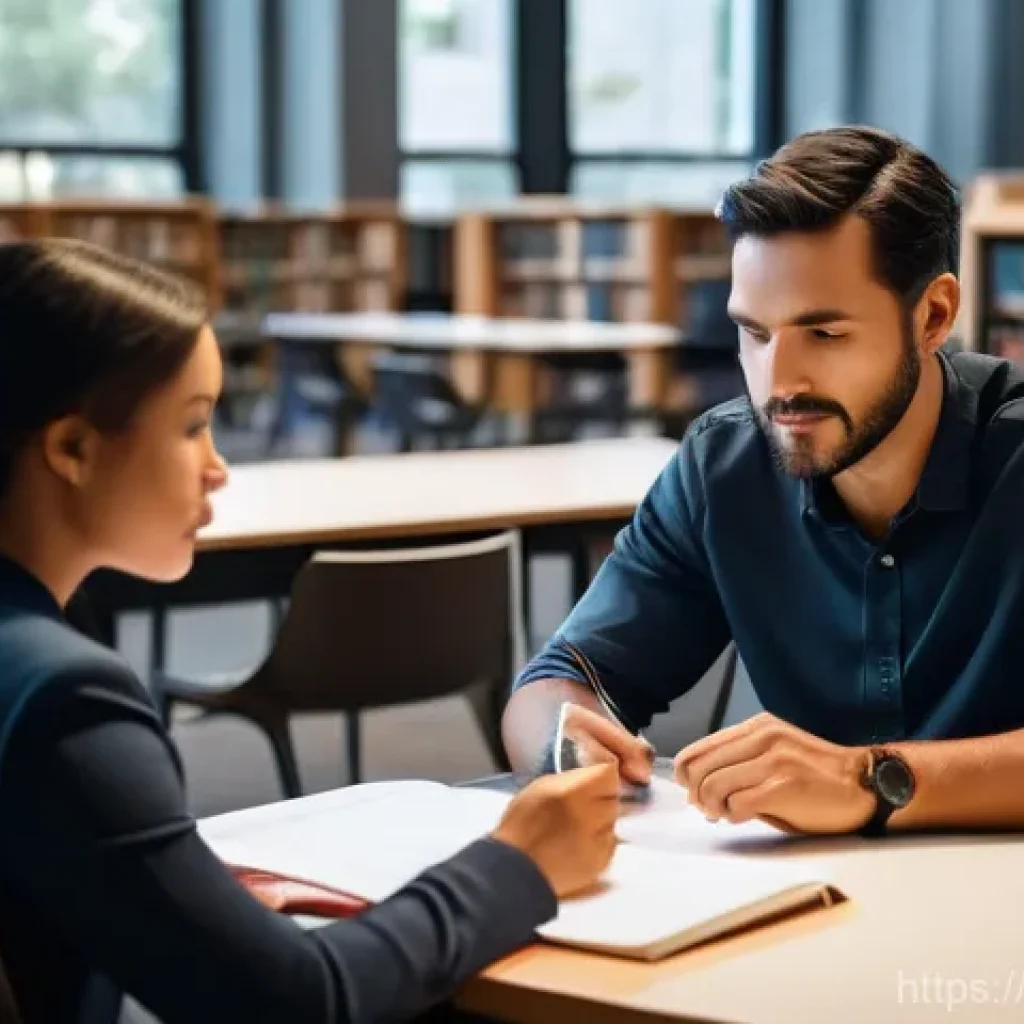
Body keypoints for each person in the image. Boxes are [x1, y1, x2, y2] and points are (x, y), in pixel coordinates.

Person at [0, 238, 620, 1024]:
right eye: (192, 427)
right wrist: (515, 865)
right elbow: (293, 1005)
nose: (218, 466)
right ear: (73, 448)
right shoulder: (61, 698)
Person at [503, 125, 1024, 839]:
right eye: (754, 333)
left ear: (932, 314)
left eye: (825, 334)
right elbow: (557, 680)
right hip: (813, 909)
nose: (777, 385)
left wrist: (869, 781)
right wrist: (565, 748)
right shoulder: (725, 467)